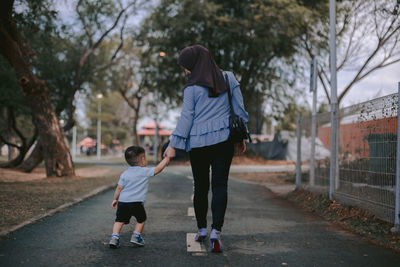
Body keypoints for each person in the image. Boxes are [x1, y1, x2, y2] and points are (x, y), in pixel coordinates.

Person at [163, 45, 249, 252]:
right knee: (220, 186)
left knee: (200, 187)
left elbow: (186, 118)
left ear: (194, 64)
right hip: (224, 140)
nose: (186, 71)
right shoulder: (228, 78)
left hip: (198, 144)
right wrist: (241, 136)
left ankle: (201, 230)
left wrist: (173, 145)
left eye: (186, 67)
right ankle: (215, 233)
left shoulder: (191, 87)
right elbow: (239, 109)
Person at [108, 146, 170, 248]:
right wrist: (166, 159)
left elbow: (119, 188)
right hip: (136, 203)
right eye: (145, 157)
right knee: (141, 219)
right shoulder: (144, 171)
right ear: (142, 160)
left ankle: (114, 238)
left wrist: (115, 199)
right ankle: (136, 236)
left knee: (119, 220)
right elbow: (158, 169)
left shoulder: (125, 174)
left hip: (123, 202)